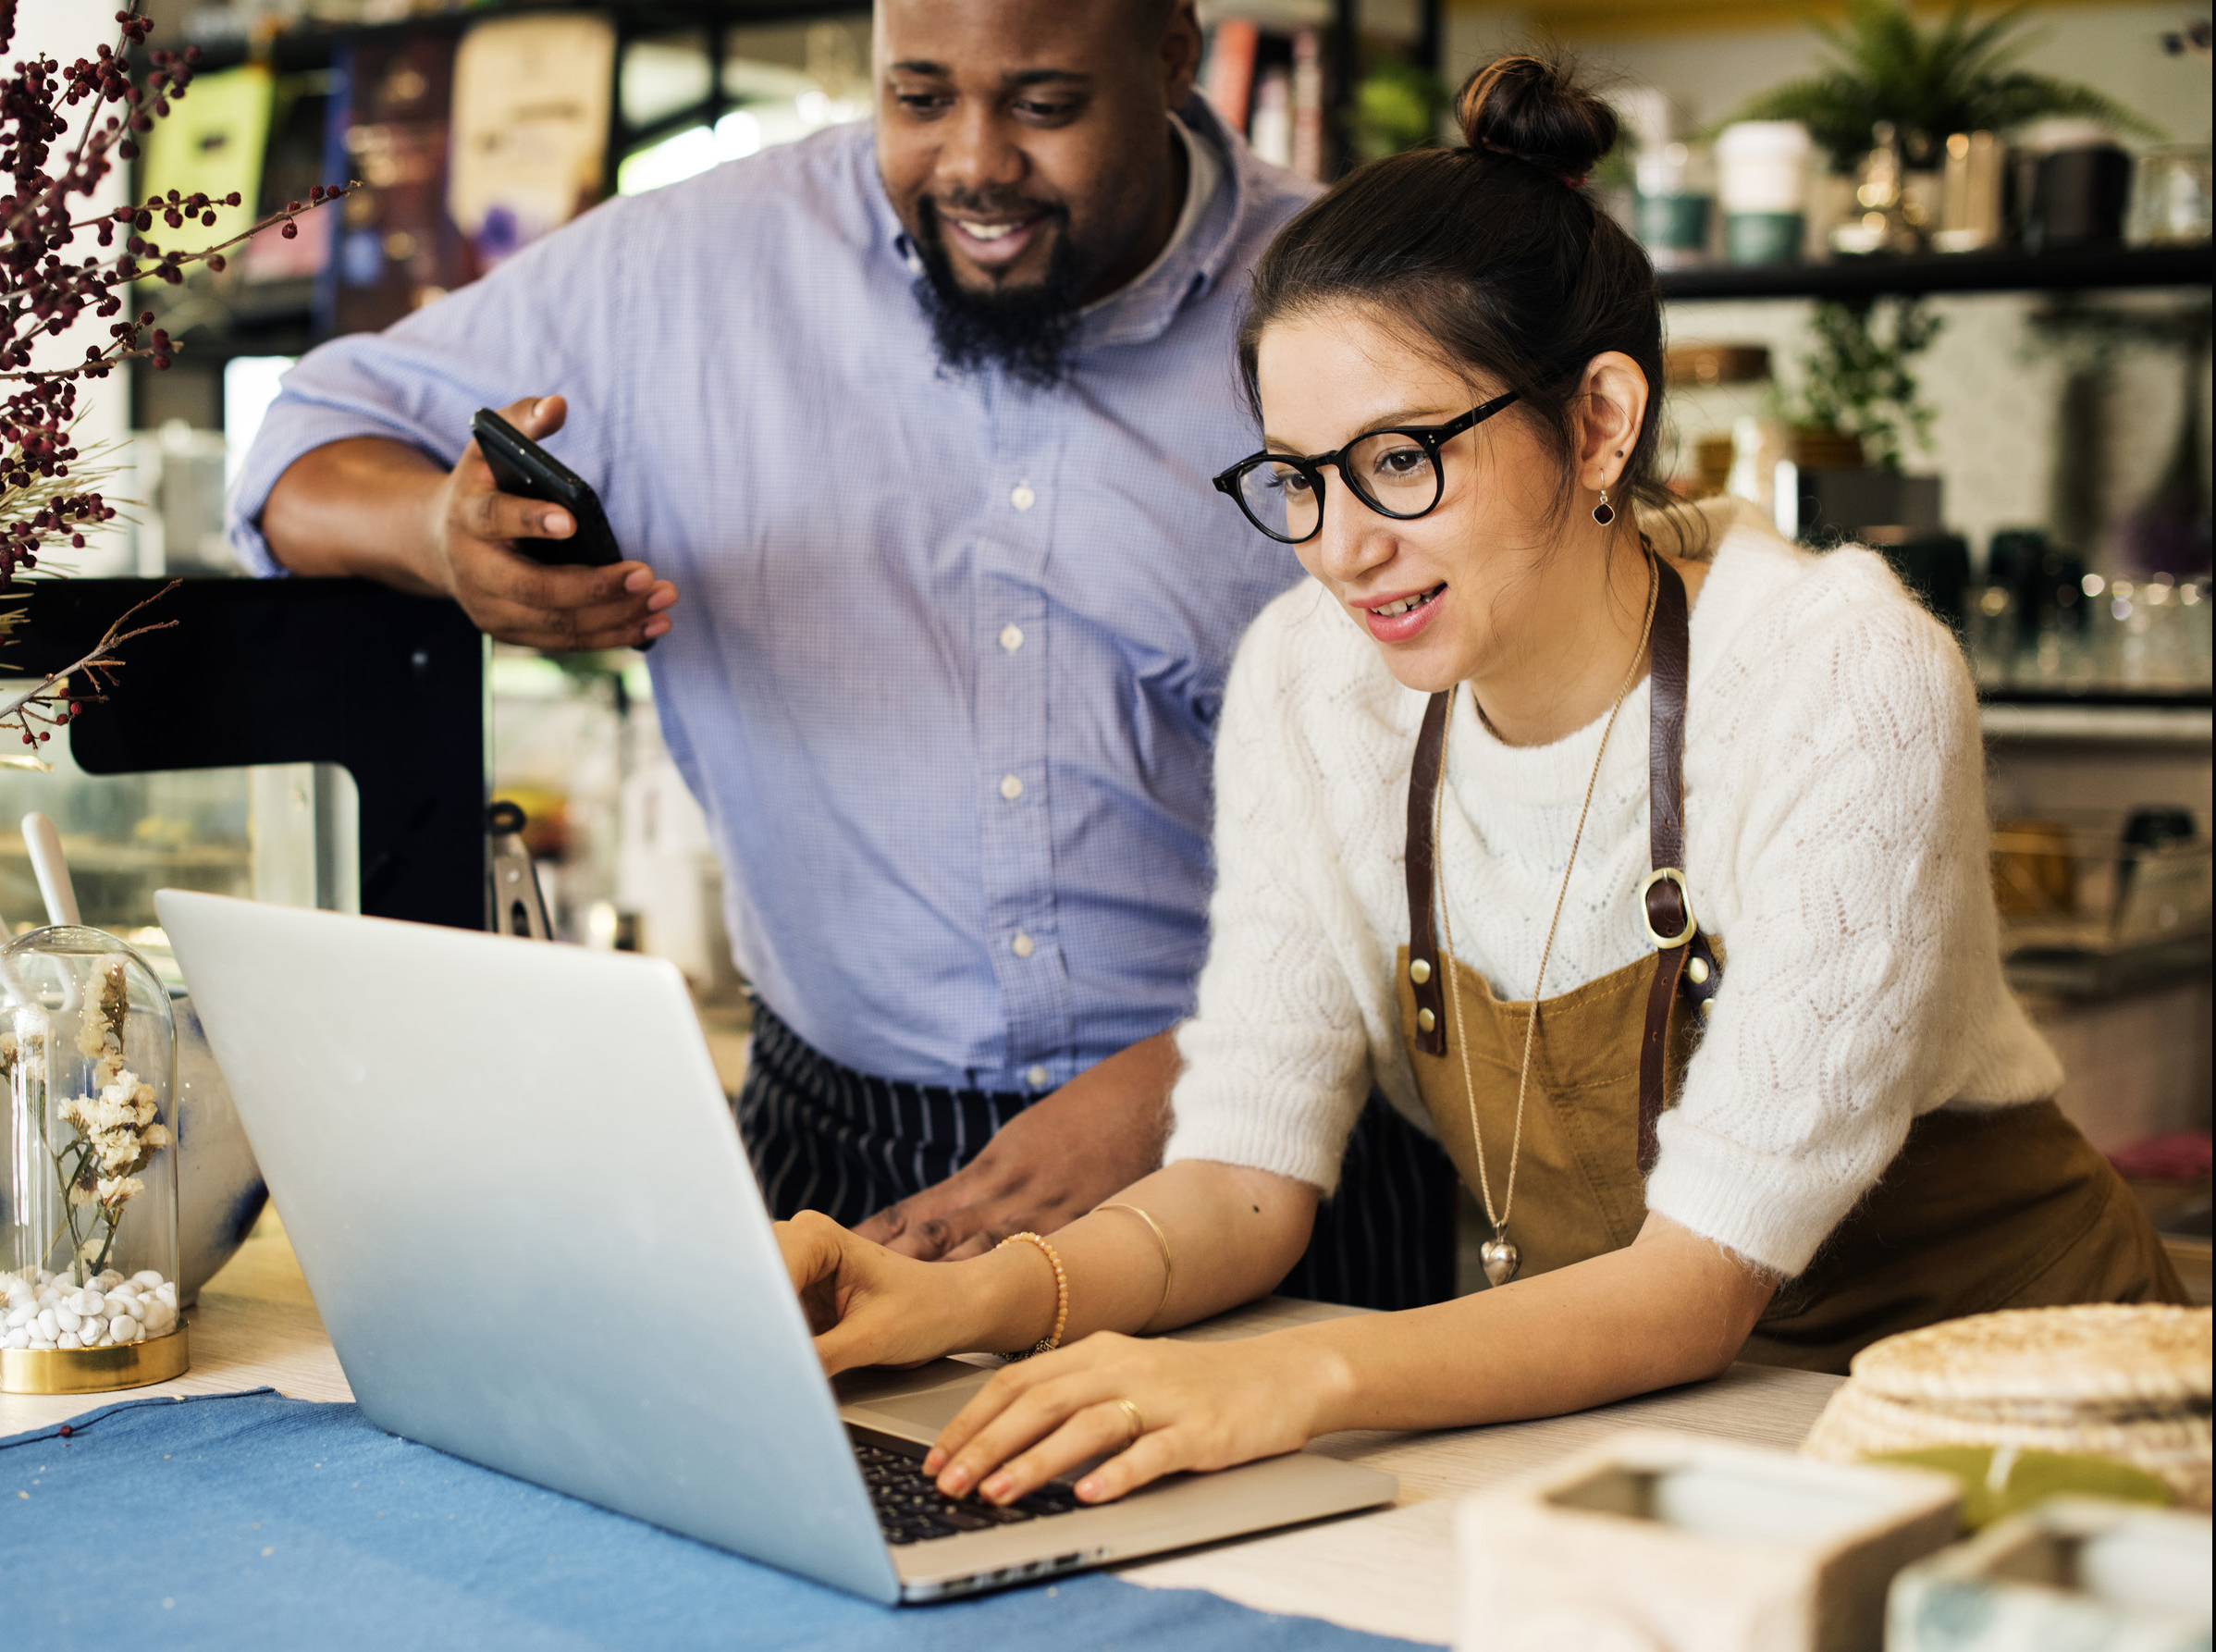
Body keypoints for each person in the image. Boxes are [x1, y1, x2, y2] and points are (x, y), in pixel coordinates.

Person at [775, 55, 2188, 1513]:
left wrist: (1291, 1379)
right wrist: (967, 1298)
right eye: (1297, 477)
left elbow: (1693, 1281)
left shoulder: (1841, 676)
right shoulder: (1312, 682)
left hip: (2038, 1426)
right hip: (1678, 1440)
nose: (1338, 547)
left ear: (1599, 421)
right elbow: (1248, 1178)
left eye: (1398, 459)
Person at [229, 0, 1461, 1307]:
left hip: (1285, 1133)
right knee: (857, 1512)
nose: (976, 163)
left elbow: (1522, 785)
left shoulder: (1357, 307)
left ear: (1172, 56)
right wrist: (439, 530)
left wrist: (1208, 1073)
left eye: (1043, 105)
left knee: (1323, 1509)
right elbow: (304, 446)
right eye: (918, 98)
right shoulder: (689, 270)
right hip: (849, 1152)